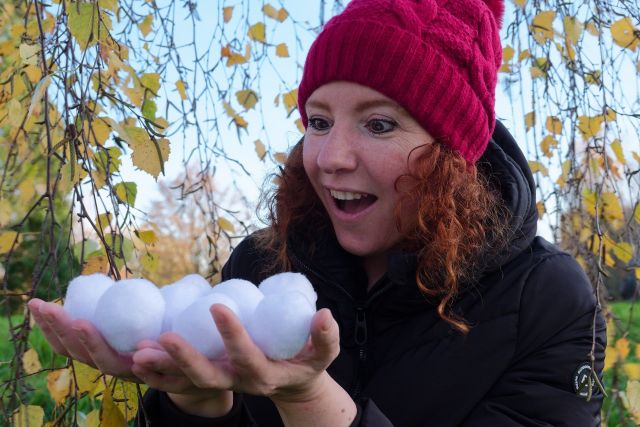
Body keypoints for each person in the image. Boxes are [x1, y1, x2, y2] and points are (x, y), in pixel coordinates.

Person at [28, 0, 607, 425]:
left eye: (379, 124)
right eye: (318, 121)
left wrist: (308, 399)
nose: (329, 158)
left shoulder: (544, 300)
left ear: (455, 156)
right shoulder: (260, 263)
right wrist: (195, 403)